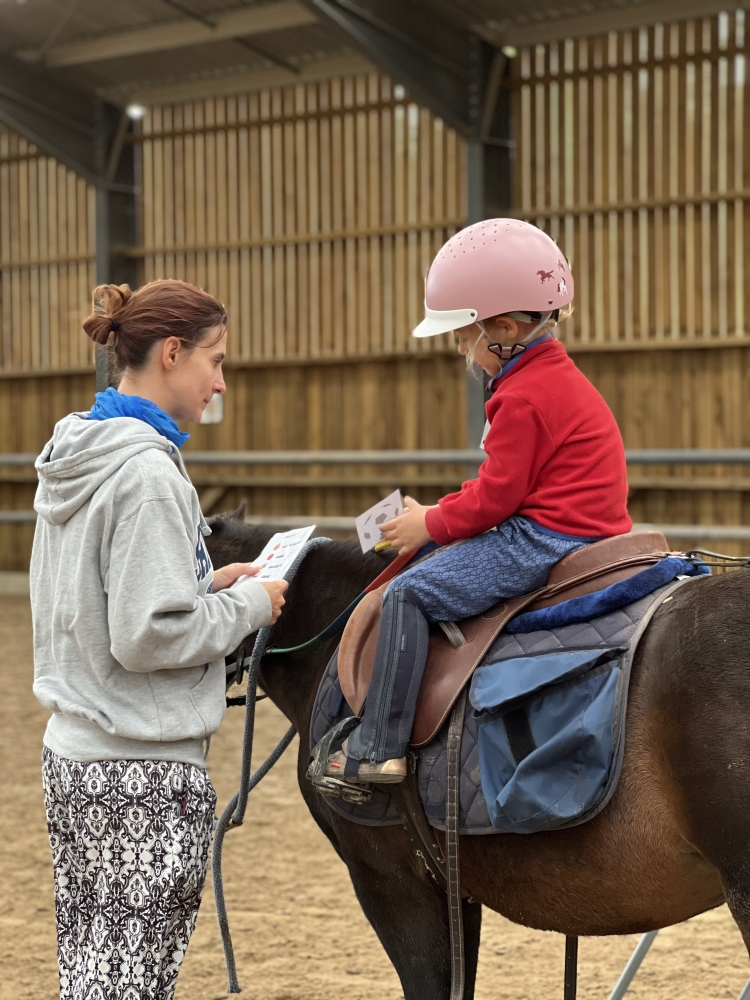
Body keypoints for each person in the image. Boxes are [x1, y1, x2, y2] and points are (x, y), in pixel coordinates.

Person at [31, 279, 287, 1000]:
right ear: (172, 354)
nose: (221, 381)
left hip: (76, 762)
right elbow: (147, 638)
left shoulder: (77, 456)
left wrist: (205, 588)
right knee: (131, 986)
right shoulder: (146, 473)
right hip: (141, 775)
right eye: (216, 359)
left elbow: (100, 606)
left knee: (94, 977)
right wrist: (248, 607)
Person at [324, 219, 632, 785]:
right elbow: (503, 483)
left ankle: (379, 746)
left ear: (507, 329)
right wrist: (433, 515)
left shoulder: (521, 398)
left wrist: (432, 525)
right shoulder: (551, 379)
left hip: (544, 536)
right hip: (572, 524)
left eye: (464, 337)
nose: (462, 350)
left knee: (411, 593)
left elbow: (497, 500)